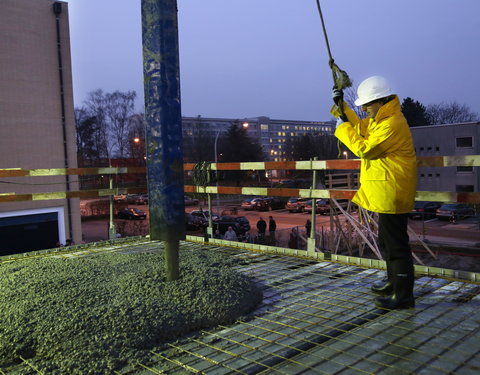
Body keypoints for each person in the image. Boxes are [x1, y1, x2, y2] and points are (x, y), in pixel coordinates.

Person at [331, 76, 417, 309]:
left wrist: (342, 129)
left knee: (397, 246)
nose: (364, 108)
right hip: (386, 189)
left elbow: (365, 149)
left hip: (393, 191)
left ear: (381, 101)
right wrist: (342, 107)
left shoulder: (392, 124)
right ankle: (393, 283)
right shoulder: (380, 120)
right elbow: (358, 127)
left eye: (367, 104)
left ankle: (404, 296)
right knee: (387, 242)